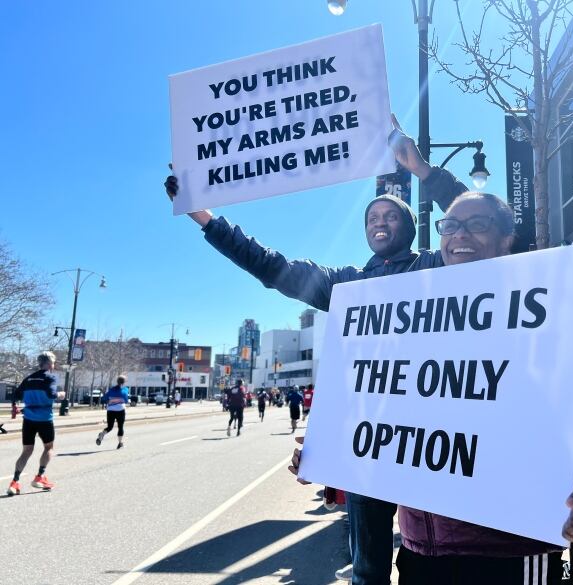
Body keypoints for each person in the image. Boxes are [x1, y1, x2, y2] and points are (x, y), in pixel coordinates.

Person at [165, 118, 466, 585]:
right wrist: (206, 219)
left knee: (433, 559)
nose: (379, 223)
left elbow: (474, 225)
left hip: (434, 431)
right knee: (367, 571)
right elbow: (273, 267)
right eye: (371, 218)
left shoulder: (435, 266)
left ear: (407, 225)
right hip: (371, 436)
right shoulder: (348, 283)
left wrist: (425, 172)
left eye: (389, 217)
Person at [291, 193, 573, 584]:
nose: (460, 234)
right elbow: (386, 414)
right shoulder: (409, 319)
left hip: (510, 553)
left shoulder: (535, 318)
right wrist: (328, 449)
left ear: (507, 240)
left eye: (478, 224)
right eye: (450, 226)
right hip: (420, 552)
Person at [6, 352, 65, 495]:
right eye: (54, 362)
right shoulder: (50, 377)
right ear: (50, 363)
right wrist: (60, 395)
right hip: (45, 419)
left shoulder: (29, 379)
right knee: (49, 448)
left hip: (29, 420)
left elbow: (15, 395)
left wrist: (16, 406)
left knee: (26, 451)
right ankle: (39, 477)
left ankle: (14, 482)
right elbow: (51, 394)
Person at [96, 375, 130, 449]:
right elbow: (126, 400)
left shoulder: (111, 390)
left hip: (110, 410)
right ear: (124, 382)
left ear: (117, 381)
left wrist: (108, 399)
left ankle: (102, 434)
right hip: (120, 410)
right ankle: (120, 443)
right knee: (120, 427)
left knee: (110, 427)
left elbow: (104, 398)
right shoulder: (125, 390)